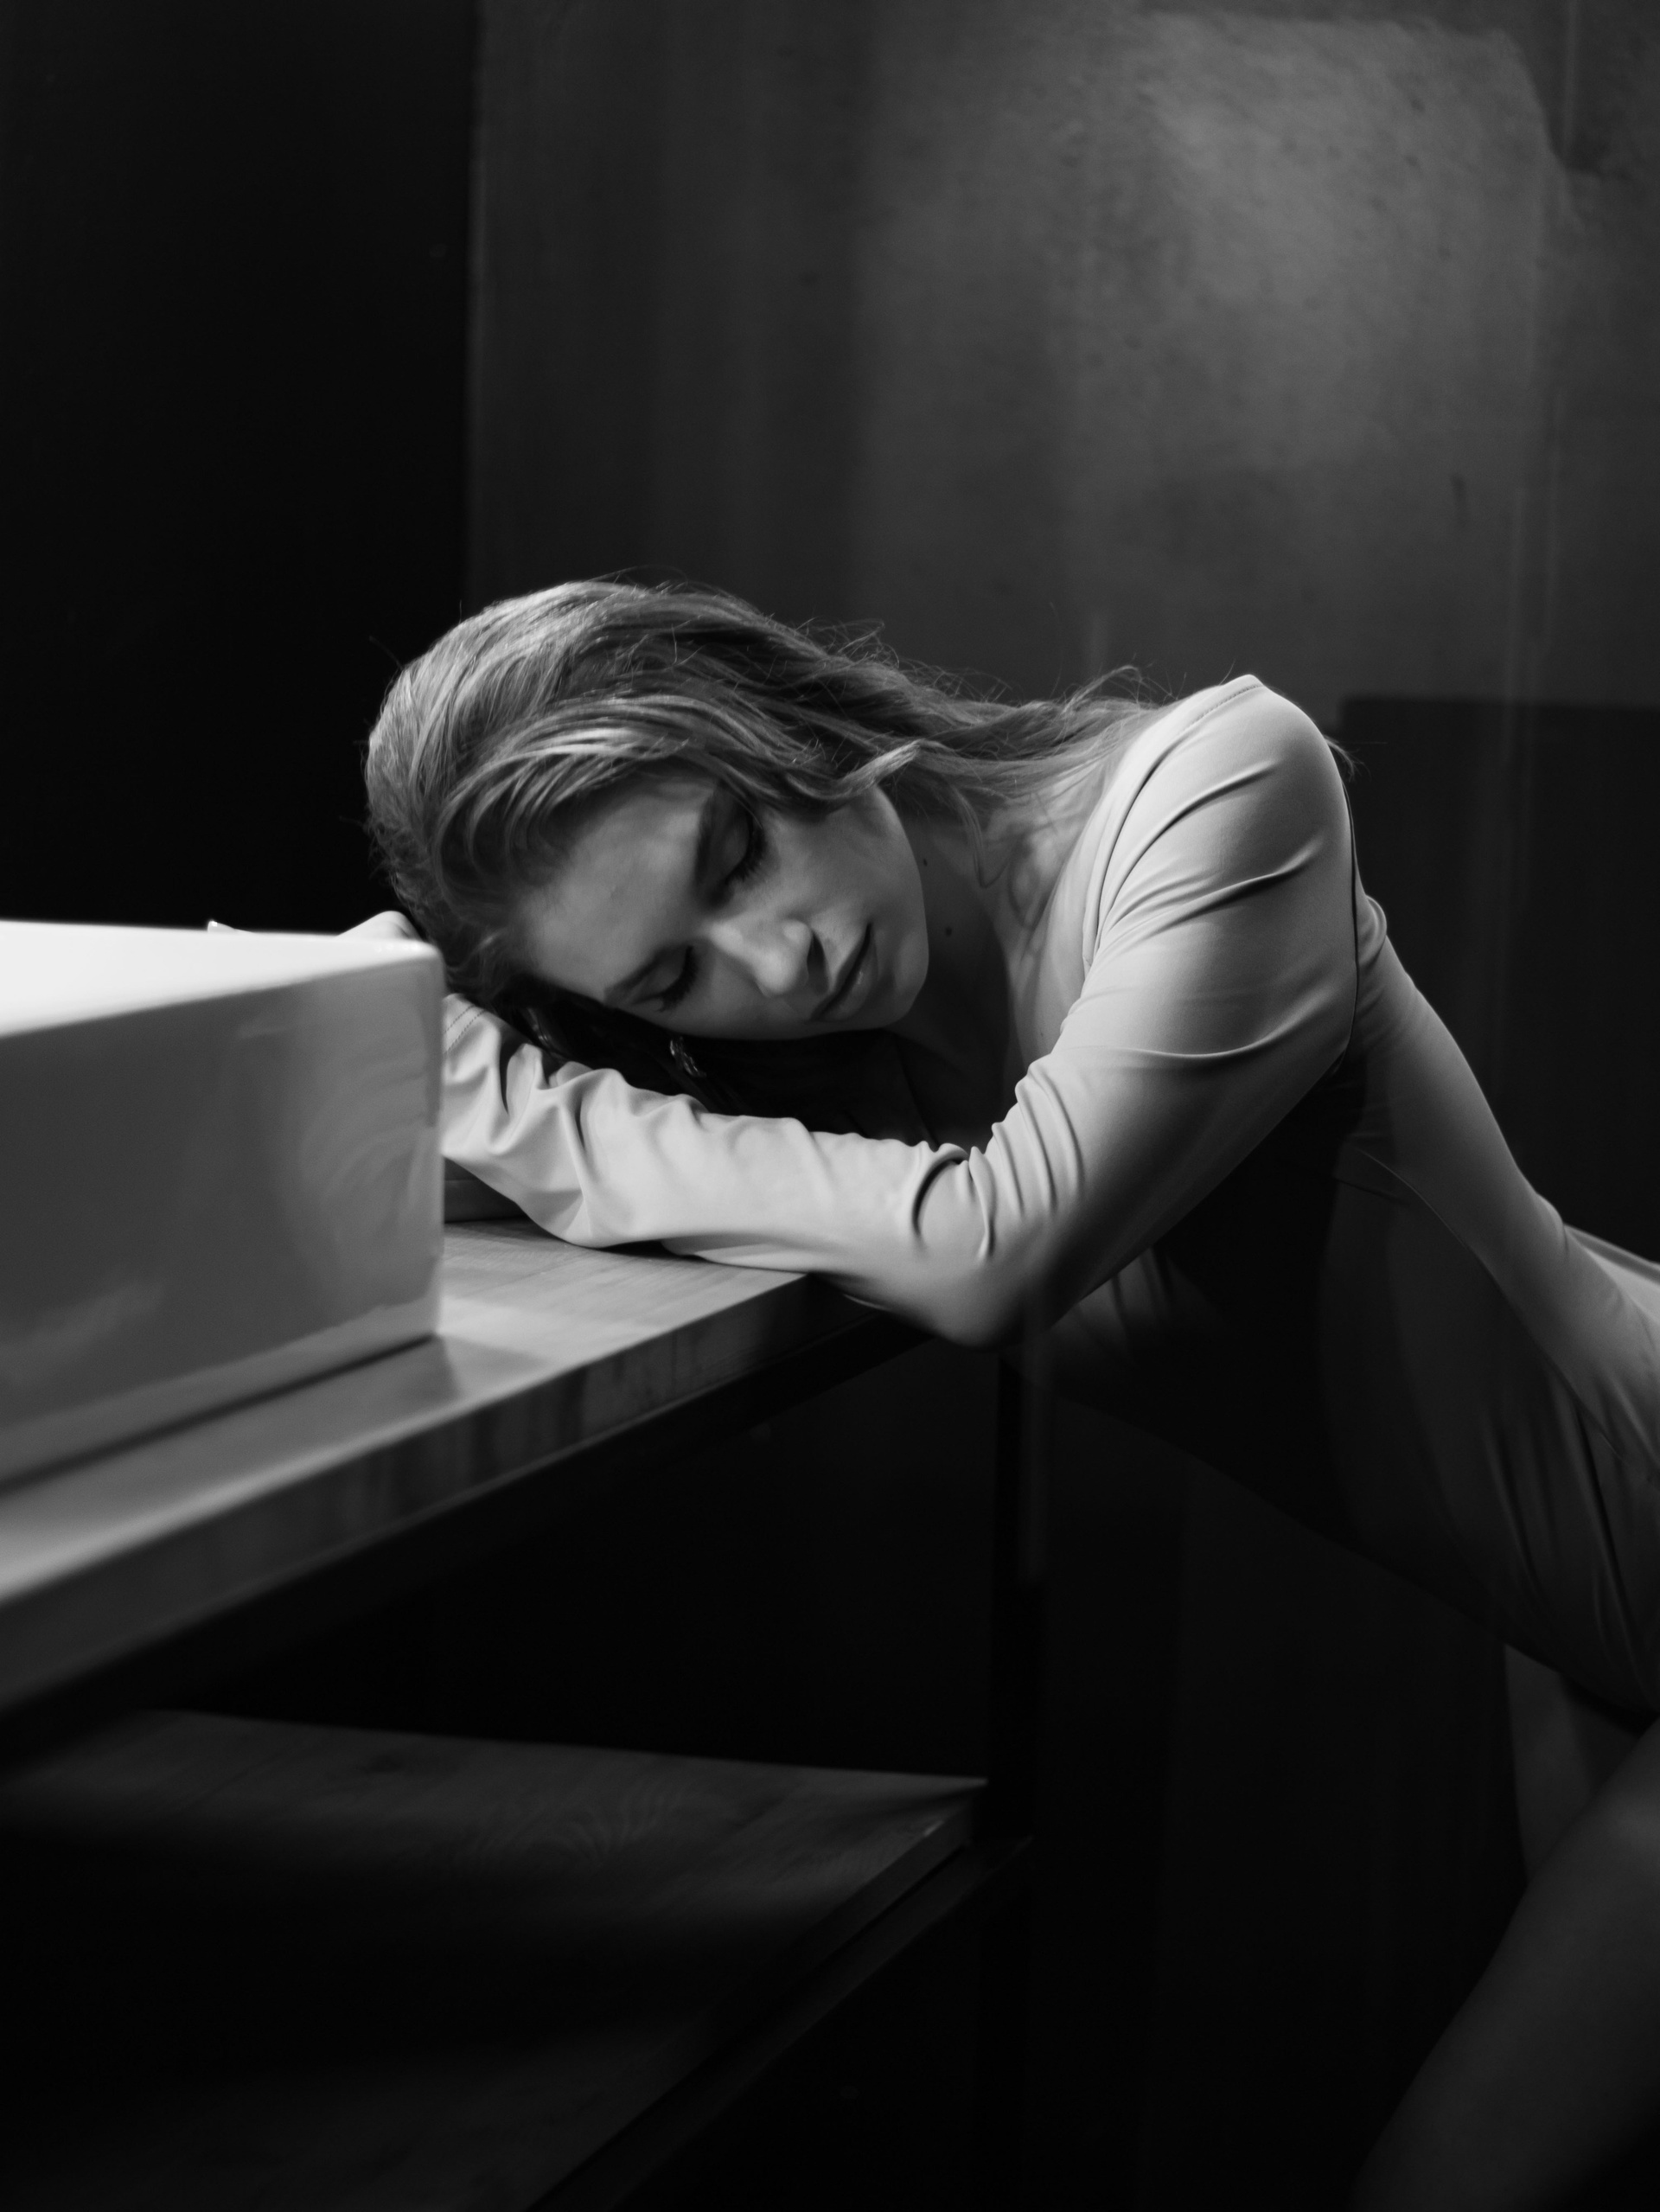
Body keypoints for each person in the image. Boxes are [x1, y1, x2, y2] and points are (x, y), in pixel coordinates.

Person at [359, 578, 1660, 2209]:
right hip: (1580, 1619)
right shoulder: (816, 1072)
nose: (779, 959)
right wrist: (376, 1033)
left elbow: (997, 1246)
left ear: (791, 722)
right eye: (674, 978)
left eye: (737, 856)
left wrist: (503, 1094)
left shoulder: (1220, 791)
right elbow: (514, 1173)